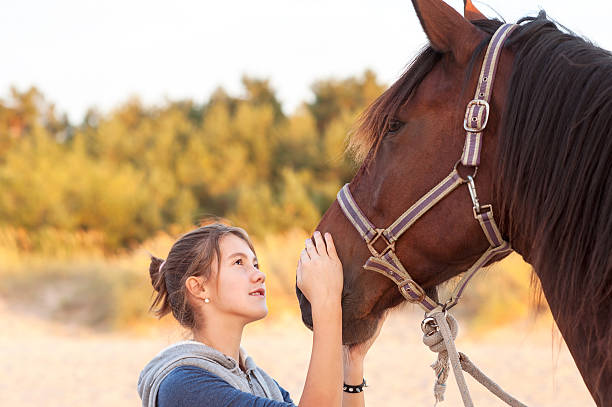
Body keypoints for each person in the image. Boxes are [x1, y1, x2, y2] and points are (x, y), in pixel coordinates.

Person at [137, 223, 383, 407]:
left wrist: (350, 365)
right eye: (238, 263)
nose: (259, 275)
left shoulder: (260, 383)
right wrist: (326, 304)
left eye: (255, 264)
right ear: (199, 287)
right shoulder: (184, 385)